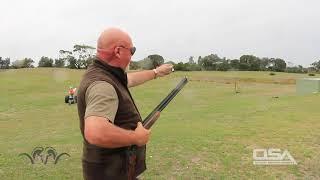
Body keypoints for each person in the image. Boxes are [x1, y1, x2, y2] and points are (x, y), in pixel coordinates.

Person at [77, 27, 173, 179]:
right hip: (110, 172)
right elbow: (95, 131)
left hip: (112, 169)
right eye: (132, 50)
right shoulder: (103, 85)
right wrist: (135, 138)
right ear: (118, 51)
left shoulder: (105, 74)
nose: (132, 55)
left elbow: (131, 79)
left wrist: (156, 73)